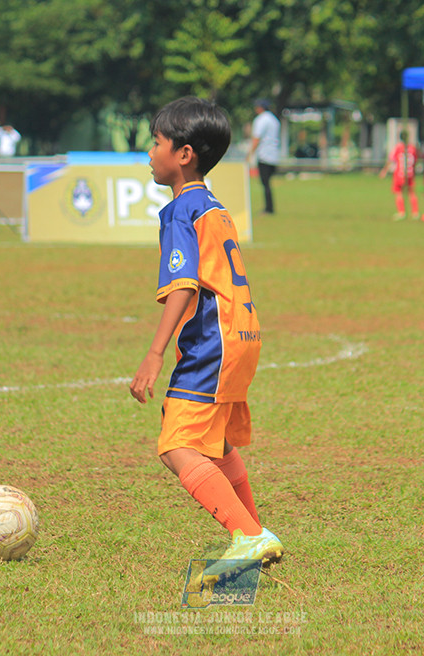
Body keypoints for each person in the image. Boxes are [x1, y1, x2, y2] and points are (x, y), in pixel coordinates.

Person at [129, 96, 283, 580]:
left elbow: (183, 285)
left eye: (156, 143)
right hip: (243, 333)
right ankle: (256, 534)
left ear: (184, 154)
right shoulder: (213, 205)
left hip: (213, 342)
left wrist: (154, 355)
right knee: (213, 445)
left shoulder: (180, 211)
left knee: (176, 445)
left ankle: (249, 537)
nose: (150, 152)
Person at [249, 98, 280, 215]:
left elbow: (257, 138)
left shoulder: (261, 120)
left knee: (265, 183)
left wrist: (250, 153)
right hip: (274, 155)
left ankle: (269, 208)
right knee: (267, 183)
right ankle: (269, 207)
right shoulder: (274, 119)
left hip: (264, 155)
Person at [379, 130, 418, 219]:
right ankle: (415, 212)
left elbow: (390, 159)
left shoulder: (398, 148)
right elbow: (415, 160)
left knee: (399, 193)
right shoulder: (412, 148)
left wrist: (384, 171)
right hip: (410, 173)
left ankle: (401, 212)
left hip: (399, 174)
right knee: (411, 193)